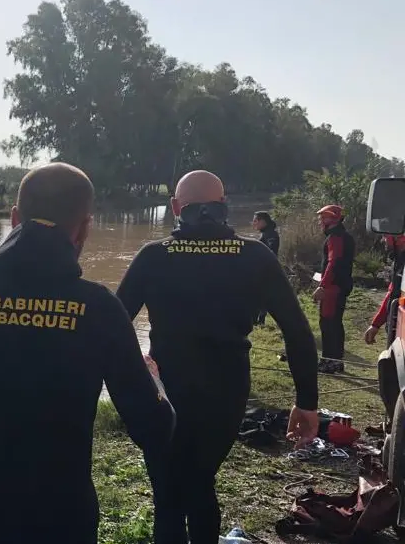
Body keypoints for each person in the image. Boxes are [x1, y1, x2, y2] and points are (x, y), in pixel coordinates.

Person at [0, 162, 174, 544]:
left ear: (14, 219)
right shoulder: (99, 308)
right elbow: (153, 427)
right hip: (63, 518)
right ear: (85, 228)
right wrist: (155, 378)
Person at [115, 170, 319, 544]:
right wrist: (306, 402)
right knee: (200, 480)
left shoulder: (153, 256)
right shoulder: (255, 254)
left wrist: (127, 382)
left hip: (165, 390)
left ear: (177, 207)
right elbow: (297, 331)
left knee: (169, 493)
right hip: (227, 390)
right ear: (224, 206)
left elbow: (111, 325)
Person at [314, 204, 355, 373]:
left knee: (328, 324)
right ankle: (336, 361)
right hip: (340, 285)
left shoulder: (335, 237)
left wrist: (323, 285)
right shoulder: (344, 236)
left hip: (333, 287)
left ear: (335, 219)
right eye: (321, 217)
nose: (321, 221)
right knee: (335, 323)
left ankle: (329, 362)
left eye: (325, 217)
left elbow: (333, 262)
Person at [365, 234, 405, 347]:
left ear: (398, 237)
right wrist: (376, 324)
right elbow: (392, 294)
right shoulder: (399, 261)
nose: (384, 240)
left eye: (386, 236)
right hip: (396, 330)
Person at [252, 211, 280, 325]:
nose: (253, 223)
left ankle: (259, 320)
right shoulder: (265, 233)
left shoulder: (271, 234)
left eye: (255, 221)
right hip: (263, 269)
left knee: (261, 295)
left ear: (263, 221)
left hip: (266, 270)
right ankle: (257, 320)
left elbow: (271, 251)